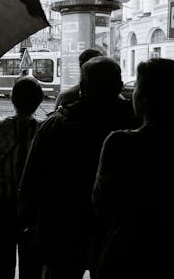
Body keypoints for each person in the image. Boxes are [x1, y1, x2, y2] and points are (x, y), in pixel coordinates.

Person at [18, 57, 138, 279]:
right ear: (119, 87)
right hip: (117, 235)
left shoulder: (55, 125)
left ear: (82, 88)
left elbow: (31, 182)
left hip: (63, 230)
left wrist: (30, 224)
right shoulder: (135, 126)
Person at [92, 58, 174, 279]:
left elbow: (102, 204)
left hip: (126, 253)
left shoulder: (120, 144)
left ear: (147, 99)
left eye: (136, 85)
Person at [0, 76, 44, 279]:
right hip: (32, 211)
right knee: (31, 269)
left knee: (0, 267)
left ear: (12, 99)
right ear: (38, 101)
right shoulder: (44, 130)